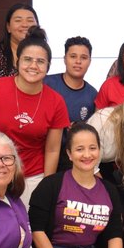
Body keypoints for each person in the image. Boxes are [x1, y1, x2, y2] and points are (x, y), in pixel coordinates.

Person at [0, 27, 70, 206]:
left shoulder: (56, 101)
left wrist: (47, 187)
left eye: (40, 61)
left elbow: (52, 150)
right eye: (27, 59)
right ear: (17, 61)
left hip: (32, 177)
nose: (33, 66)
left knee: (28, 231)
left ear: (48, 66)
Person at [44, 36, 97, 170]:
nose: (78, 61)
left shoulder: (92, 95)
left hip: (71, 161)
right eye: (73, 56)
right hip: (41, 152)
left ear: (90, 61)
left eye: (84, 58)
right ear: (64, 59)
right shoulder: (47, 83)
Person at [0, 3, 39, 77]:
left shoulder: (42, 53)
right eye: (18, 20)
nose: (25, 25)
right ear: (8, 27)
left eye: (30, 21)